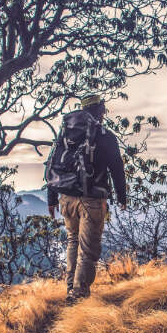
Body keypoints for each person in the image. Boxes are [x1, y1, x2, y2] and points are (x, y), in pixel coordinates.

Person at [47, 95, 127, 304]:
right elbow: (117, 168)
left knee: (73, 242)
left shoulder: (66, 134)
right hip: (92, 199)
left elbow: (53, 163)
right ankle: (79, 295)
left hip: (66, 197)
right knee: (88, 248)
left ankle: (71, 288)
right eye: (103, 109)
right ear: (99, 110)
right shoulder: (104, 136)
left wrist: (51, 198)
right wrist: (121, 196)